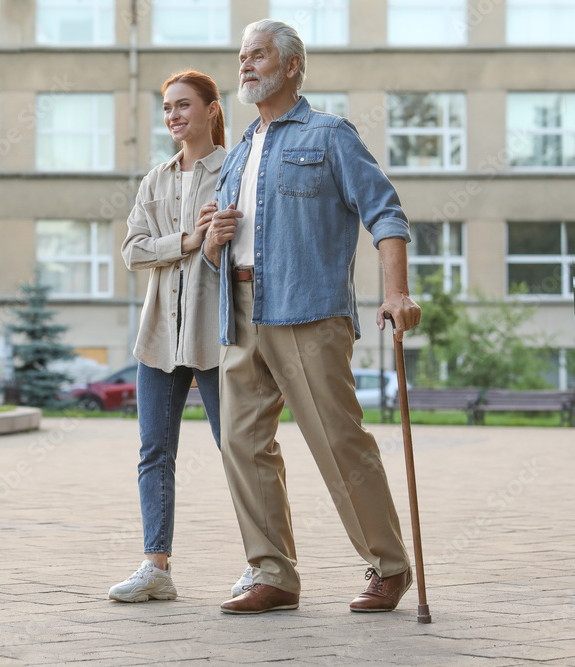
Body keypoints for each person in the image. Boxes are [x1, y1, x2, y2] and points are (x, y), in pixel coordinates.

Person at [203, 19, 422, 615]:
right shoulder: (241, 149)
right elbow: (215, 241)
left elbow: (385, 212)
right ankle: (272, 572)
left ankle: (390, 566)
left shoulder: (329, 135)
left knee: (337, 443)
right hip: (240, 312)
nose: (245, 64)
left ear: (292, 65)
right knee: (241, 443)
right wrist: (211, 238)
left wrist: (395, 292)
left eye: (258, 55)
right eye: (242, 56)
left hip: (307, 311)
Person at [109, 69, 252, 603]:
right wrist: (190, 239)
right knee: (154, 452)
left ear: (212, 109)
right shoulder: (157, 179)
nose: (173, 115)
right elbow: (132, 251)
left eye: (183, 105)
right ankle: (156, 567)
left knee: (237, 447)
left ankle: (262, 563)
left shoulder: (236, 170)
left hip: (217, 332)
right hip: (158, 336)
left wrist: (214, 243)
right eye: (167, 107)